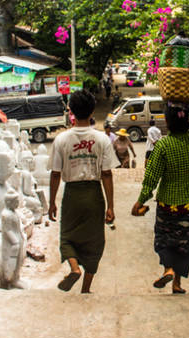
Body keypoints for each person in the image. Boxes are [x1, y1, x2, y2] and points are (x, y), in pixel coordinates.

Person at [131, 93, 189, 294]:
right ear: (186, 121)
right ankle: (177, 283)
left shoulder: (163, 146)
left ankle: (168, 269)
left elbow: (151, 177)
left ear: (167, 123)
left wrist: (141, 200)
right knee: (185, 242)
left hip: (167, 204)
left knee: (165, 239)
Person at [49, 90, 119, 293]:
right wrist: (110, 206)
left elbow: (55, 174)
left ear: (71, 111)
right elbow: (107, 174)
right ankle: (86, 288)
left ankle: (73, 267)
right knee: (94, 241)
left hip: (72, 195)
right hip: (94, 195)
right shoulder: (102, 139)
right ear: (92, 111)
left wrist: (52, 202)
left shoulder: (61, 140)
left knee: (67, 237)